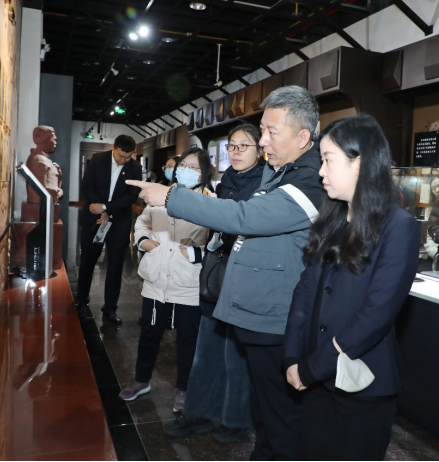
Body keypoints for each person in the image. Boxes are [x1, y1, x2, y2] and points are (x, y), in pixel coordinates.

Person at [127, 85, 322, 461]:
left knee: (279, 418)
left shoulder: (307, 180)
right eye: (261, 132)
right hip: (254, 308)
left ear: (302, 137)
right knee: (265, 414)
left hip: (276, 316)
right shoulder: (283, 172)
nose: (263, 142)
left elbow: (246, 217)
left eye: (270, 132)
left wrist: (170, 196)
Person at [284, 115, 419, 460]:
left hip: (361, 384)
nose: (321, 171)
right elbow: (304, 292)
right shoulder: (330, 220)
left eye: (328, 160)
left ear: (358, 162)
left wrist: (314, 367)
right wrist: (293, 357)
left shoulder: (398, 226)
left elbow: (376, 314)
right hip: (315, 378)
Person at [164, 124, 264, 443]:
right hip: (216, 275)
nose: (235, 151)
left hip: (243, 278)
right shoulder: (225, 183)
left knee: (236, 356)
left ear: (260, 149)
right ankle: (198, 414)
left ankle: (237, 420)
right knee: (206, 351)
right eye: (231, 146)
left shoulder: (265, 185)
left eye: (243, 146)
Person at [119, 147, 214, 413]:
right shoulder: (160, 195)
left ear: (204, 173)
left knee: (187, 339)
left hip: (187, 282)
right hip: (156, 279)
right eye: (184, 165)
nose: (186, 171)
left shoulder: (209, 200)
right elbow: (143, 222)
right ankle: (141, 379)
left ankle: (184, 388)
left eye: (194, 168)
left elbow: (219, 241)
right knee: (150, 333)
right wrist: (144, 242)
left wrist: (194, 253)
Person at [76, 134, 142, 325]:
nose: (123, 161)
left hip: (119, 222)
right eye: (121, 156)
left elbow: (132, 196)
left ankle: (110, 309)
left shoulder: (135, 168)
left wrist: (106, 208)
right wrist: (99, 208)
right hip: (94, 219)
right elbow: (87, 186)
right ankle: (82, 301)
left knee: (115, 266)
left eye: (128, 157)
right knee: (88, 260)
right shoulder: (98, 160)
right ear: (114, 147)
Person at [25, 126, 63, 203]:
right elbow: (46, 192)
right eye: (53, 139)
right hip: (41, 205)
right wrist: (59, 193)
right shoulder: (40, 161)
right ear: (43, 139)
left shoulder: (42, 159)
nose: (55, 141)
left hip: (45, 205)